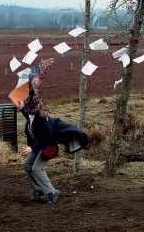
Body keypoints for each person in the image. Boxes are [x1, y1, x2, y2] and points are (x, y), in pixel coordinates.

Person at [18, 58, 90, 204]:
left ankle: (52, 192)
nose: (26, 108)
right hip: (40, 146)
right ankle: (37, 189)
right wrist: (21, 109)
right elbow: (29, 116)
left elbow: (47, 138)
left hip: (49, 147)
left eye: (27, 106)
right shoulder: (33, 115)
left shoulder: (41, 121)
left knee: (37, 168)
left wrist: (32, 148)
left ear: (34, 109)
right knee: (27, 165)